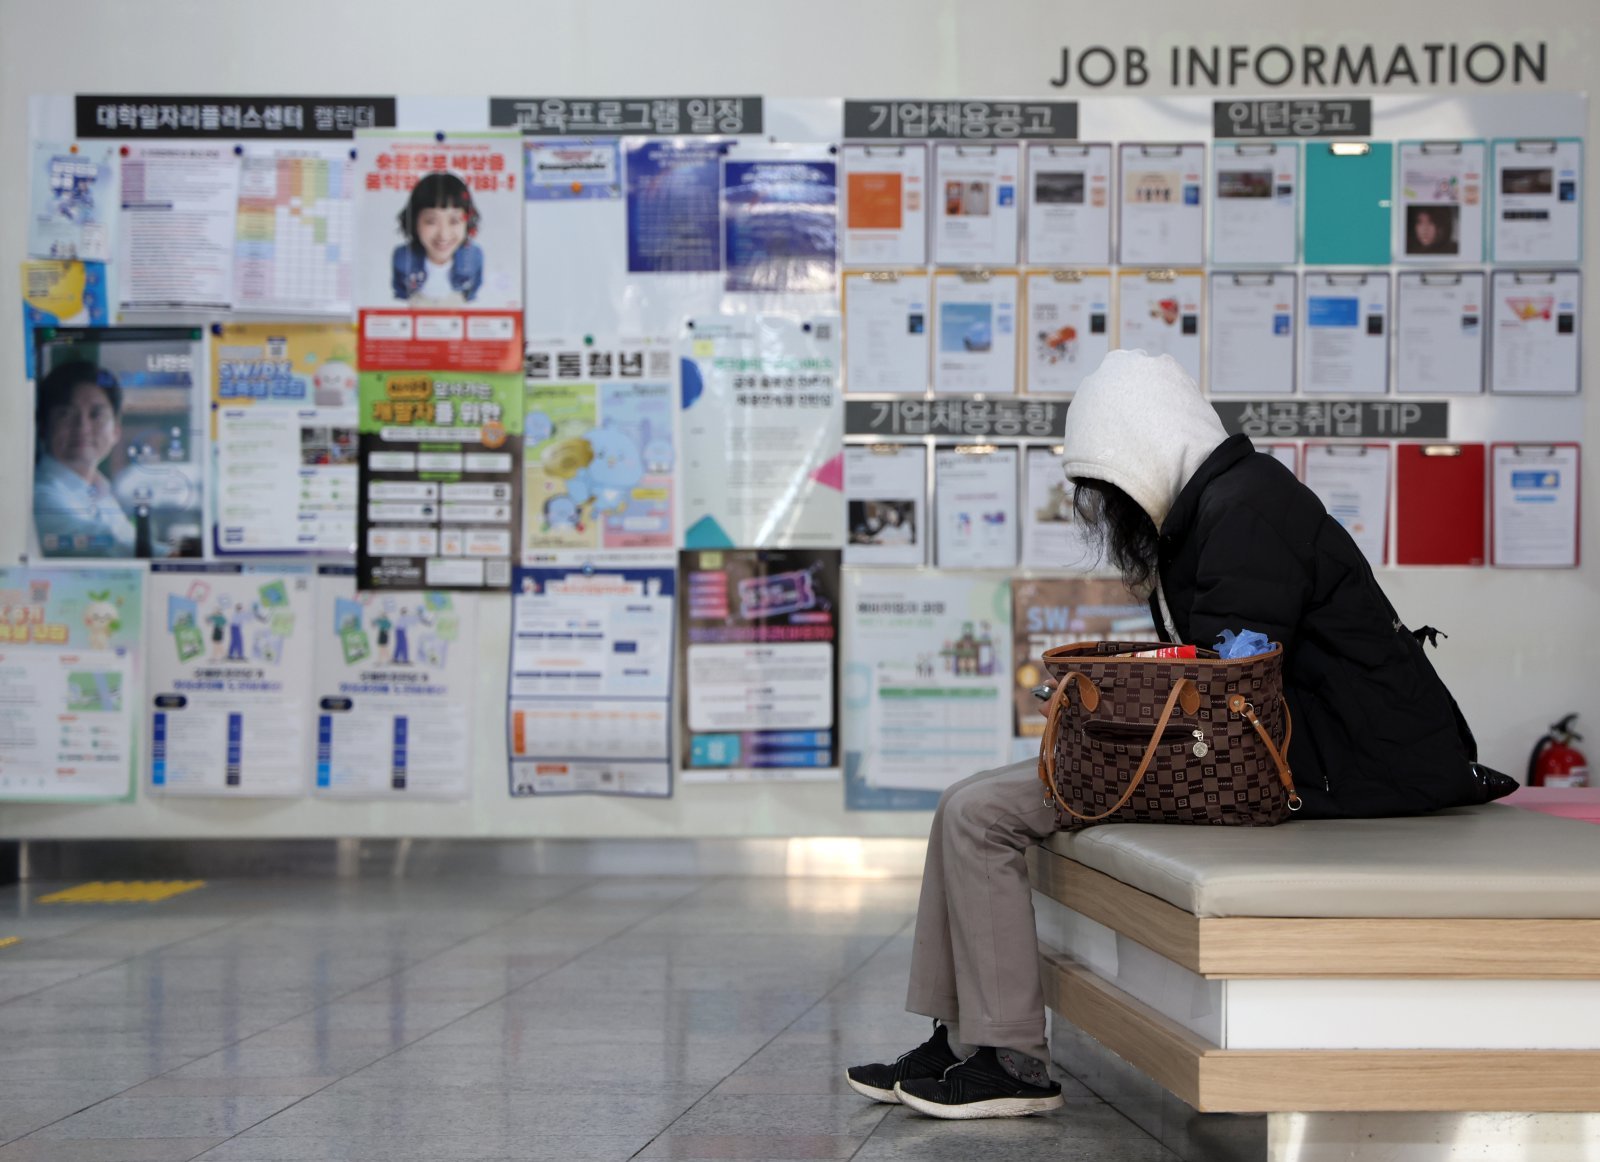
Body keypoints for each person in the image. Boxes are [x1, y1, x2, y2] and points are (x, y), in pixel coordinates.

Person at [846, 349, 1515, 1120]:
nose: (1109, 511)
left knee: (980, 812)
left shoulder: (1245, 512)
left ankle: (1011, 1060)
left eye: (1110, 488)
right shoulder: (1220, 505)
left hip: (1335, 762)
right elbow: (1213, 676)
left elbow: (1230, 694)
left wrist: (1104, 722)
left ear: (1146, 449)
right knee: (963, 800)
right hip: (1282, 745)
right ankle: (962, 1039)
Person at [32, 360, 136, 557]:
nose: (82, 427)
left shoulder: (102, 493)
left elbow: (130, 541)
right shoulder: (40, 496)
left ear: (116, 431)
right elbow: (108, 546)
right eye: (65, 414)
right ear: (44, 427)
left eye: (96, 415)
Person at [391, 172, 484, 304]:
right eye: (431, 221)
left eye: (454, 221)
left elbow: (473, 294)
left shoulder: (474, 257)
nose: (443, 235)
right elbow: (400, 296)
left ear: (467, 222)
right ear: (415, 221)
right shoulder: (402, 257)